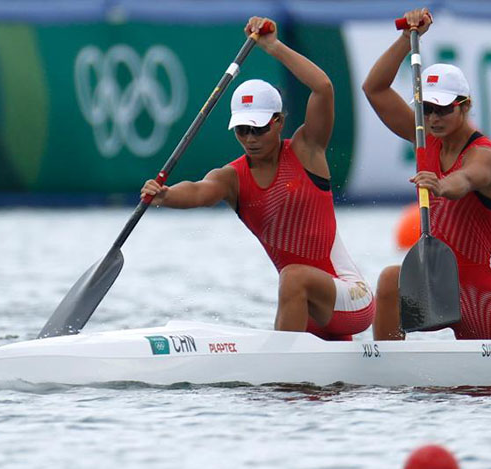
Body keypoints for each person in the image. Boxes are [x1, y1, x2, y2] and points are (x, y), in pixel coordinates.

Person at [140, 17, 374, 341]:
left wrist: (274, 47)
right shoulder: (231, 178)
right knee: (302, 389)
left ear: (278, 122)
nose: (250, 138)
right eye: (242, 130)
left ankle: (278, 370)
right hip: (306, 310)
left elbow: (323, 87)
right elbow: (197, 191)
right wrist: (164, 196)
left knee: (292, 277)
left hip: (351, 298)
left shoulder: (308, 150)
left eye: (259, 128)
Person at [361, 7, 491, 341]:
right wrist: (405, 39)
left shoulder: (484, 156)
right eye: (426, 108)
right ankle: (390, 368)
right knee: (389, 279)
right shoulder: (423, 137)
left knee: (485, 391)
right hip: (433, 282)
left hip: (476, 293)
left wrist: (441, 185)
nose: (433, 117)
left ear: (465, 105)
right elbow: (374, 88)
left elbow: (466, 180)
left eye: (443, 109)